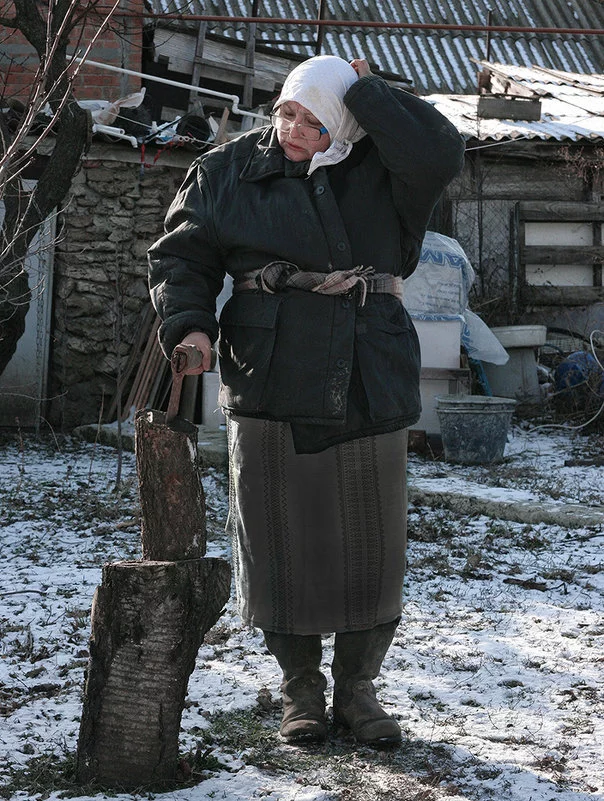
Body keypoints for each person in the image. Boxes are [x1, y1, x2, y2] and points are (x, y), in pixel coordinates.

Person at [148, 55, 465, 746]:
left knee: (369, 547)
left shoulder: (387, 167)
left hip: (366, 373)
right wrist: (191, 324)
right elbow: (182, 256)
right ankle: (300, 690)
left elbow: (443, 150)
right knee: (279, 543)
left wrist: (367, 89)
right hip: (271, 372)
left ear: (345, 124)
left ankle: (358, 691)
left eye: (315, 121)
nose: (293, 128)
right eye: (286, 111)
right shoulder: (228, 168)